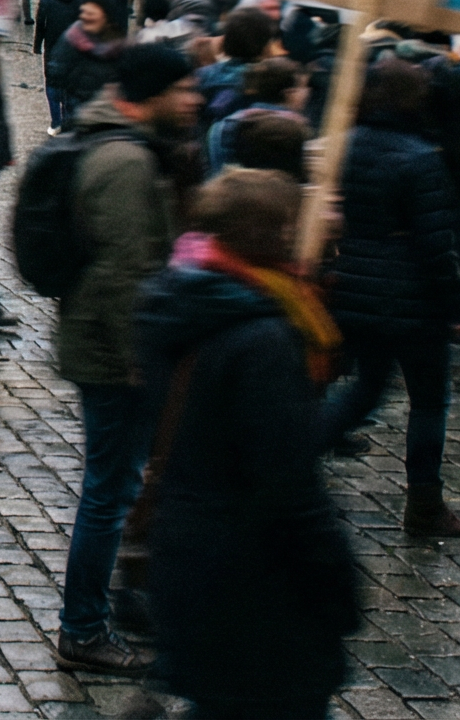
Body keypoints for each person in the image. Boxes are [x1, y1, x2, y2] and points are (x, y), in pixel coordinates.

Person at [134, 169, 359, 719]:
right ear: (278, 234)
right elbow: (286, 483)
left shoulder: (184, 298)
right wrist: (336, 581)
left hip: (194, 552)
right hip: (254, 580)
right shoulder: (260, 337)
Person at [54, 43, 199, 673]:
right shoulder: (124, 162)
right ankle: (83, 627)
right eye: (184, 89)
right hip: (113, 351)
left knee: (117, 484)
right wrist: (137, 354)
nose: (194, 100)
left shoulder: (132, 150)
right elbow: (125, 272)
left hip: (114, 342)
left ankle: (114, 601)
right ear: (153, 93)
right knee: (108, 491)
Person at [318, 58, 460, 534]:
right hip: (412, 297)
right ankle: (425, 504)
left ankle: (292, 455)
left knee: (367, 387)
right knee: (428, 401)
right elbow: (435, 244)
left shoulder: (348, 144)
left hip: (358, 282)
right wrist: (458, 307)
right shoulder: (420, 156)